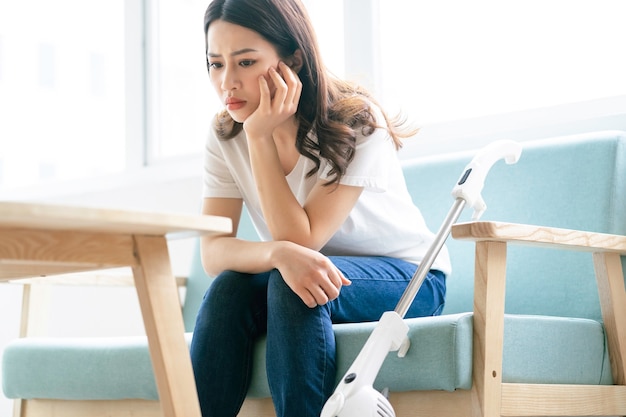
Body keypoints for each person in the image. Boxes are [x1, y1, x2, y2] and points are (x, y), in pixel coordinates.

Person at [189, 0, 451, 416]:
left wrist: (259, 139)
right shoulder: (224, 133)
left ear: (292, 57)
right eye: (215, 64)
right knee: (229, 289)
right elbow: (214, 252)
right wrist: (276, 253)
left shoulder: (358, 121)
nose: (227, 83)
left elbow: (301, 240)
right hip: (305, 271)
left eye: (246, 62)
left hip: (408, 277)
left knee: (296, 280)